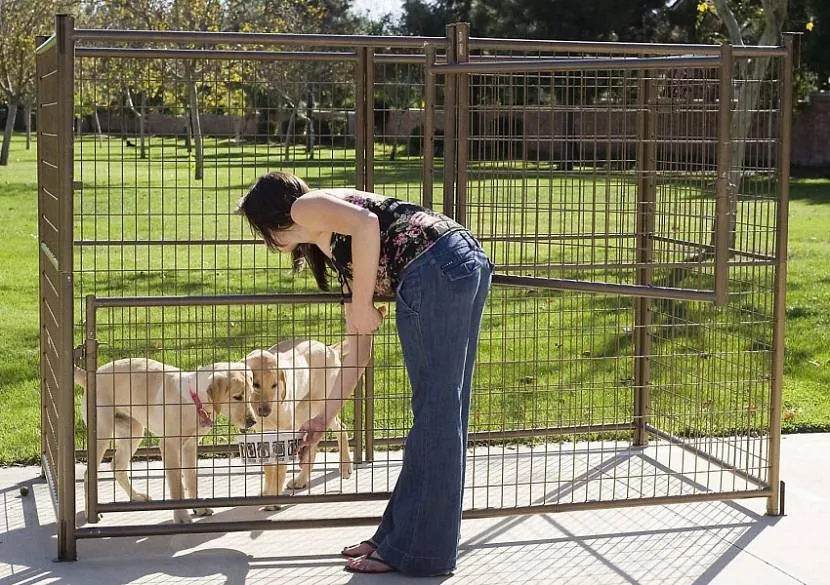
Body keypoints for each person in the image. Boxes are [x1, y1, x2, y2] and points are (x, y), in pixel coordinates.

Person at [237, 171, 493, 576]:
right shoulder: (346, 257)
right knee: (443, 413)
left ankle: (420, 552)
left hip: (435, 266)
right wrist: (321, 420)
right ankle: (396, 538)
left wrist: (360, 304)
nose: (265, 241)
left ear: (275, 215)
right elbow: (357, 353)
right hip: (456, 262)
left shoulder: (305, 206)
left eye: (261, 229)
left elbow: (367, 223)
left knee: (437, 414)